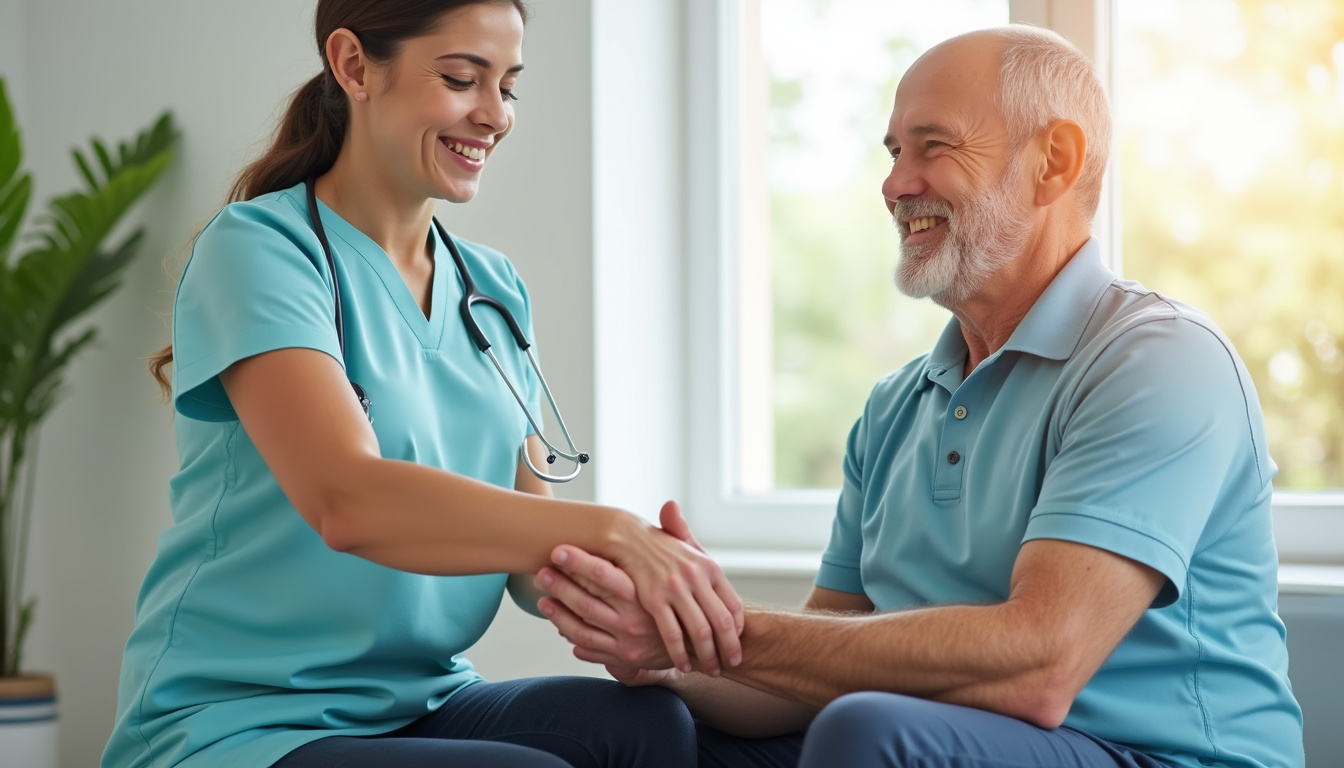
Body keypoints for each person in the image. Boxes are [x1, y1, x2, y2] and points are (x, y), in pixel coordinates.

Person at [535, 25, 1305, 768]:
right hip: (935, 740)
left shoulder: (1158, 360)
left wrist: (741, 629)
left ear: (1053, 162)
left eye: (932, 147)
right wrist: (679, 645)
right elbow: (804, 684)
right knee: (629, 732)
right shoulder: (896, 405)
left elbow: (1040, 667)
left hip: (1156, 754)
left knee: (874, 732)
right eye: (895, 152)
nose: (895, 184)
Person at [102, 2, 745, 767]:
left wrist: (634, 596)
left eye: (508, 87)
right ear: (352, 66)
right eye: (462, 78)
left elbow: (528, 558)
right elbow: (348, 501)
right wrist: (608, 531)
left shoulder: (492, 285)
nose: (495, 115)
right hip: (240, 721)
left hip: (424, 700)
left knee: (649, 724)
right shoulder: (260, 251)